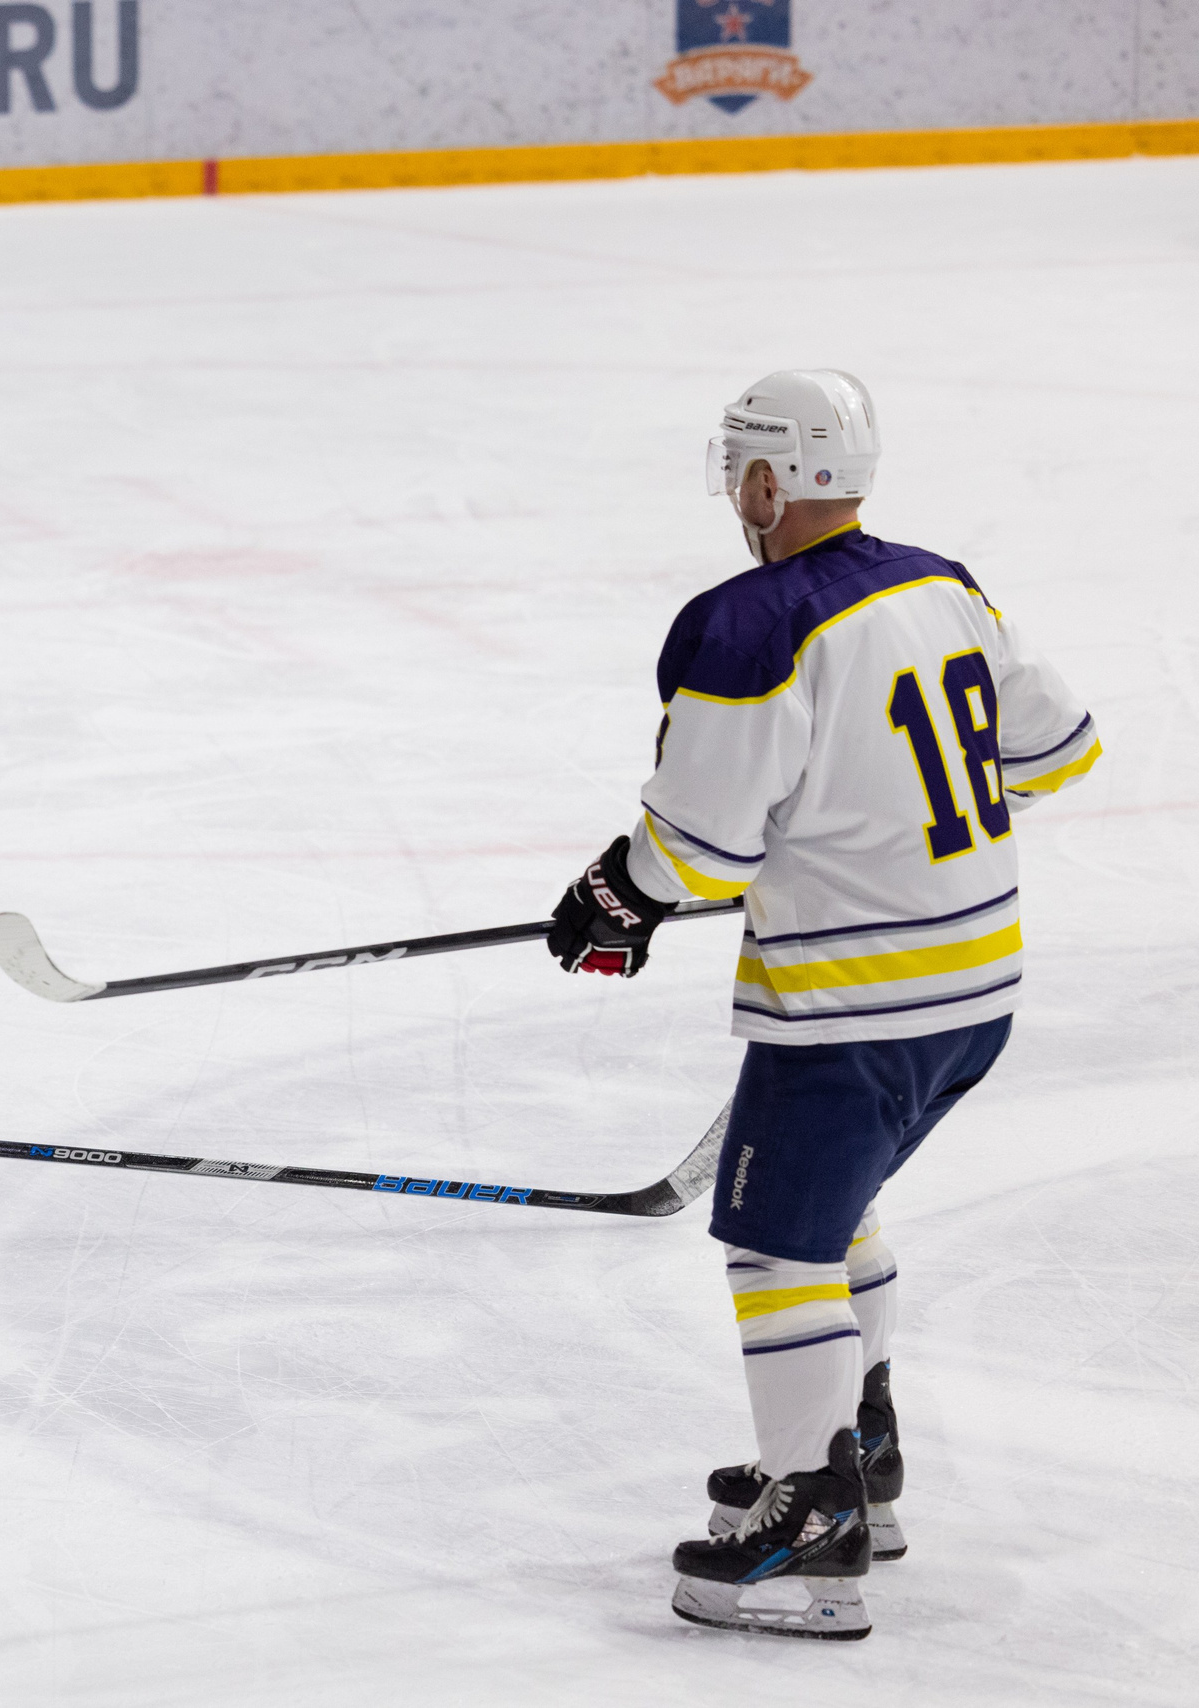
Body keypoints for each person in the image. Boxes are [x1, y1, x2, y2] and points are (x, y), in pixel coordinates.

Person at [544, 372, 1102, 1640]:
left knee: (776, 1244)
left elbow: (697, 850)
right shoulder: (940, 583)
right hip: (976, 994)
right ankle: (859, 1454)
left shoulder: (746, 627)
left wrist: (613, 896)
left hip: (852, 1005)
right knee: (834, 1210)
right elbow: (1059, 749)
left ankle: (814, 1525)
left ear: (760, 483)